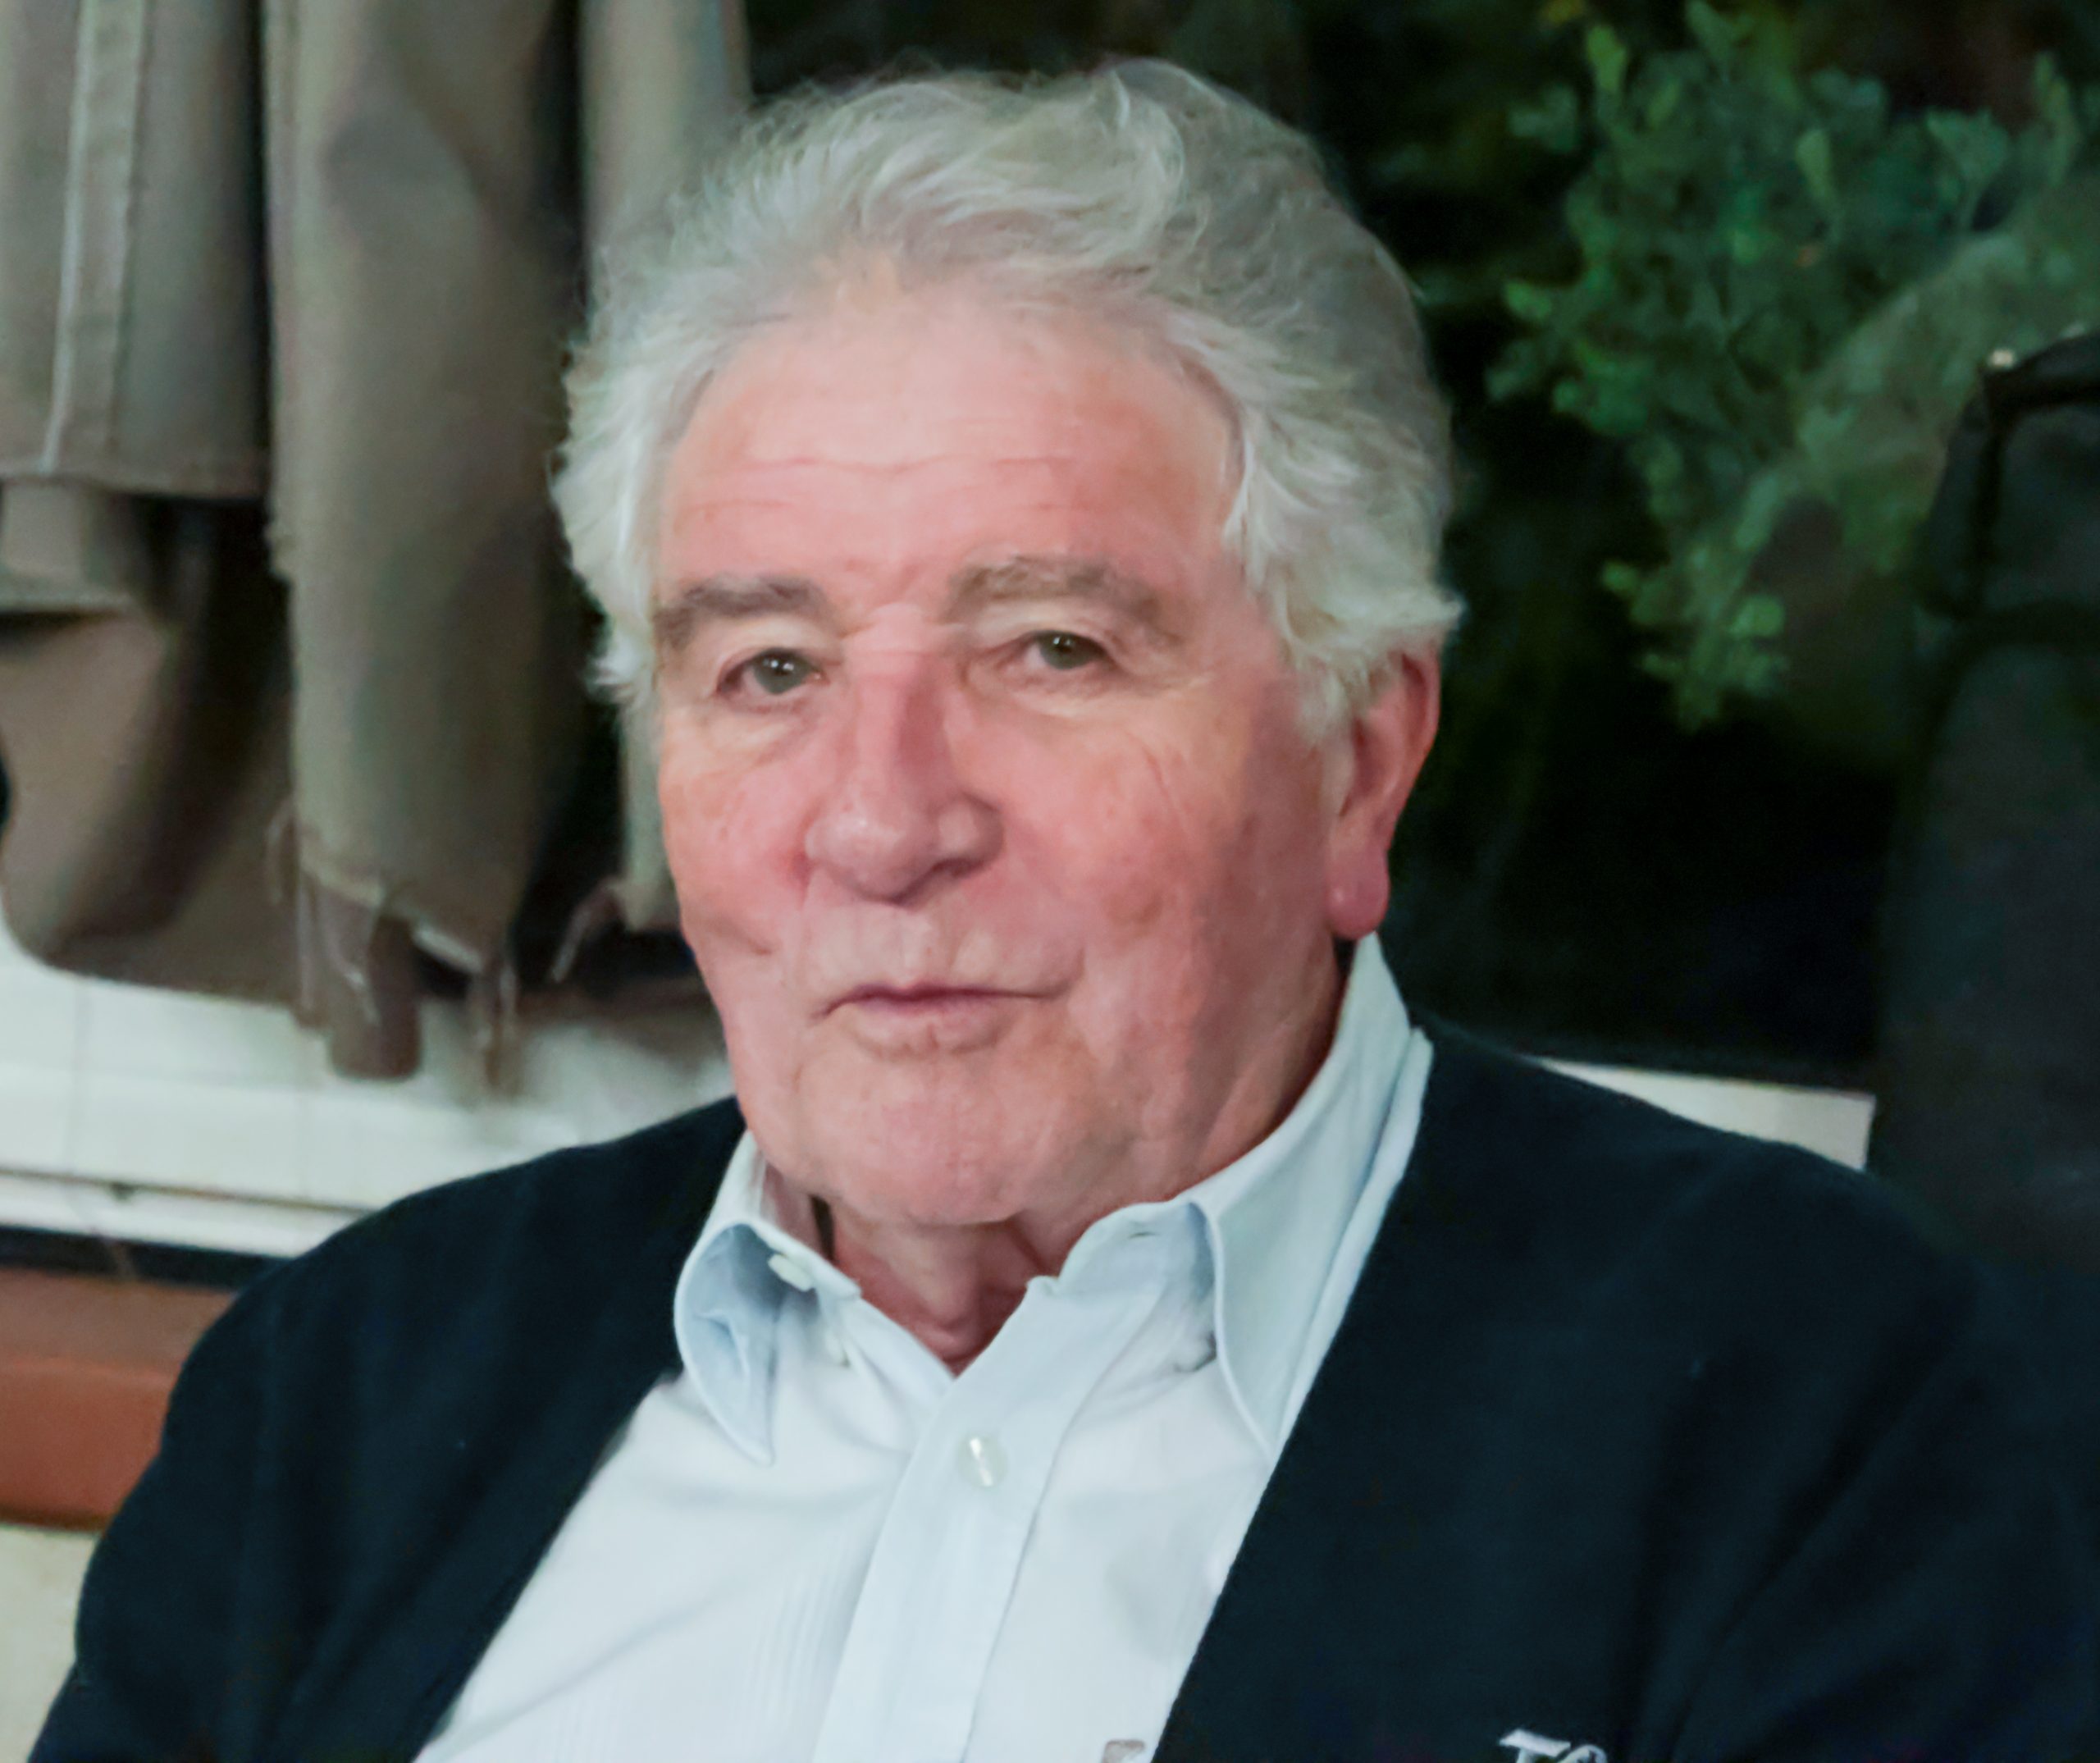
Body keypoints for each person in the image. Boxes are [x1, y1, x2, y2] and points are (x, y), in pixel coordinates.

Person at [34, 62, 2098, 1763]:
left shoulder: (1814, 1410)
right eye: (768, 668)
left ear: (1354, 761)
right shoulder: (346, 1391)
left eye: (1049, 649)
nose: (880, 820)